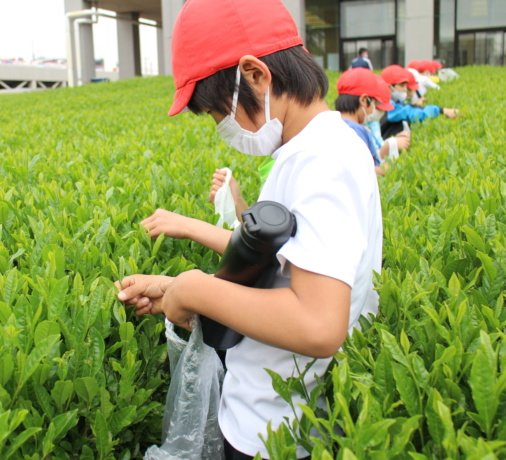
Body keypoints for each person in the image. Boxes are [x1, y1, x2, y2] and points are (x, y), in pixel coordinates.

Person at [116, 0, 383, 458]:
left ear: (256, 75)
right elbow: (285, 269)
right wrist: (172, 288)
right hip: (270, 417)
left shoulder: (321, 162)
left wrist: (194, 290)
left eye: (219, 113)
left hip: (277, 432)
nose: (222, 127)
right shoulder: (318, 147)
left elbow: (319, 324)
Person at [334, 68, 406, 176]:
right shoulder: (355, 132)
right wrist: (383, 170)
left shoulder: (334, 125)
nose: (373, 109)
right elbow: (357, 170)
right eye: (374, 103)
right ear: (364, 100)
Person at [379, 64, 459, 139]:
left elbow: (405, 108)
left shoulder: (394, 102)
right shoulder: (387, 107)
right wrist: (441, 110)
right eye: (402, 86)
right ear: (389, 87)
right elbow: (412, 113)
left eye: (405, 86)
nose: (405, 90)